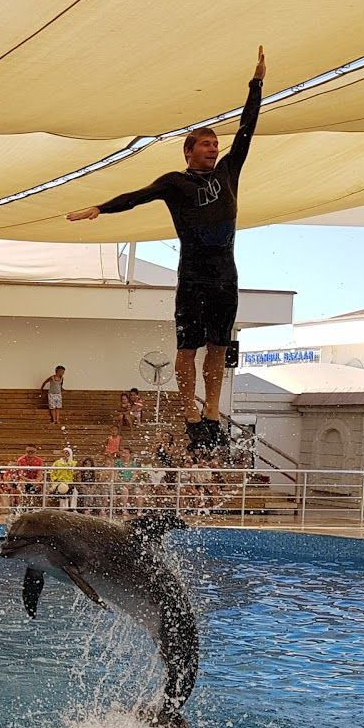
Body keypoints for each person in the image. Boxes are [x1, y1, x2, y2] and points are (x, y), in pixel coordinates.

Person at [68, 47, 266, 451]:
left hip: (225, 275)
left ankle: (211, 412)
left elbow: (247, 128)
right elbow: (136, 196)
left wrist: (256, 83)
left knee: (219, 346)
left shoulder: (230, 171)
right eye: (206, 144)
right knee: (186, 349)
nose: (214, 148)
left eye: (215, 144)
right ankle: (190, 414)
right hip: (192, 275)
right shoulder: (175, 182)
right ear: (189, 151)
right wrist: (100, 209)